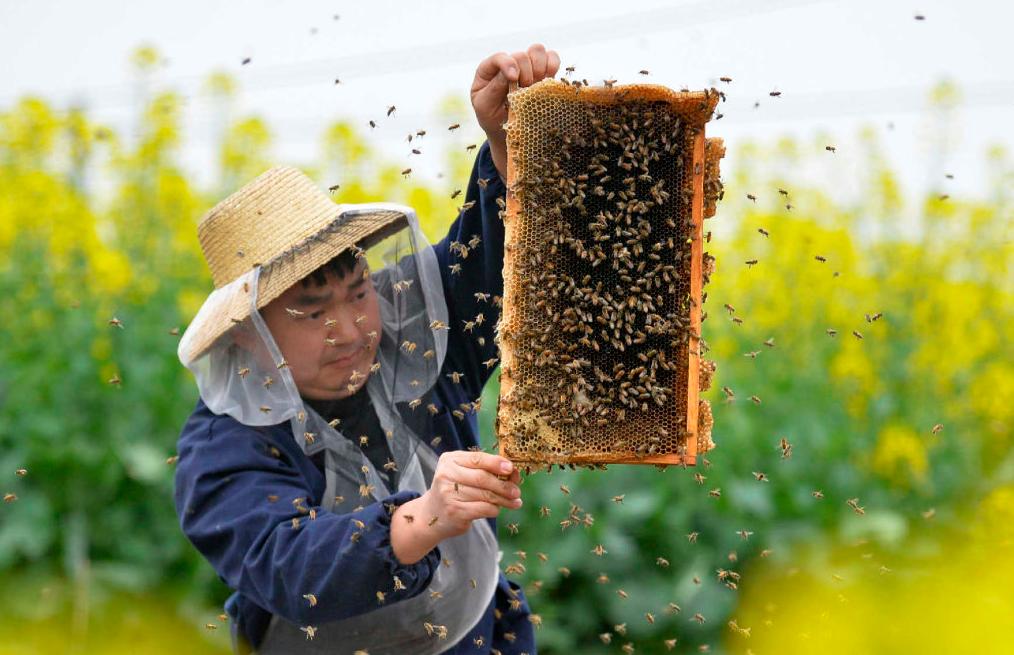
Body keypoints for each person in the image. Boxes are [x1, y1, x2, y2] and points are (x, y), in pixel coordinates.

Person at [173, 44, 561, 654]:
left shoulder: (417, 339)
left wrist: (510, 141)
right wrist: (425, 517)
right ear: (249, 333)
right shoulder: (225, 444)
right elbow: (286, 563)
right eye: (312, 311)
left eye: (358, 295)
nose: (352, 331)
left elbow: (493, 265)